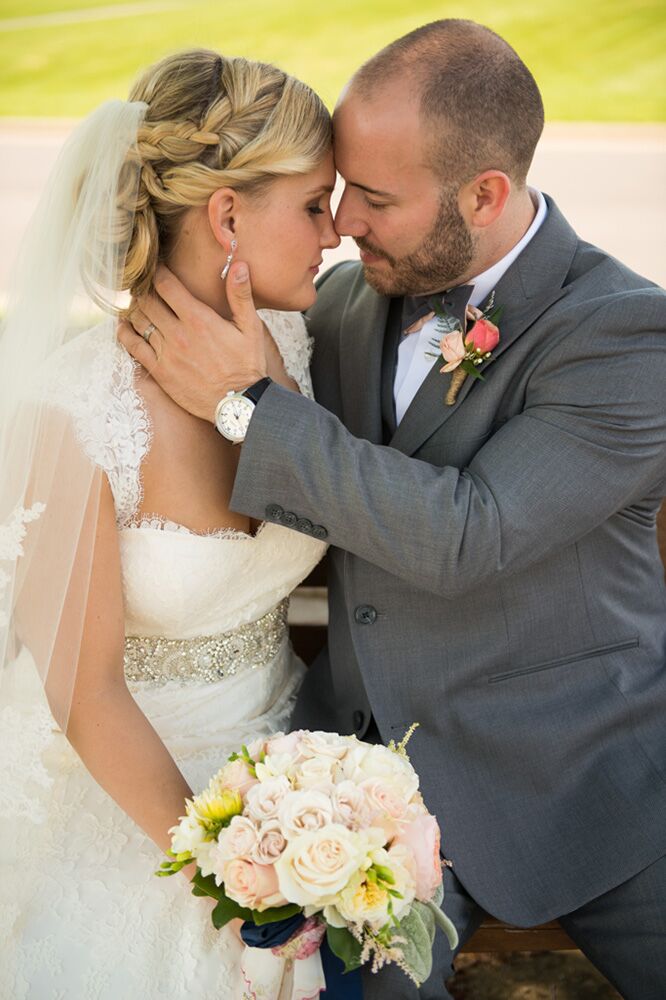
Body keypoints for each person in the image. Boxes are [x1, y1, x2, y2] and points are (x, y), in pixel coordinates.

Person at [119, 19, 666, 1000]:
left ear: (484, 195)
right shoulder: (345, 302)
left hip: (583, 783)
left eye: (372, 199)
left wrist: (252, 406)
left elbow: (469, 533)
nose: (344, 226)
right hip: (361, 784)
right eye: (335, 194)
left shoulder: (627, 334)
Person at [0, 49, 339, 998]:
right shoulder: (74, 412)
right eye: (315, 204)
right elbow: (86, 694)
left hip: (298, 776)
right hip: (135, 806)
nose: (337, 231)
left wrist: (318, 833)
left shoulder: (302, 350)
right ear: (227, 215)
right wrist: (241, 883)